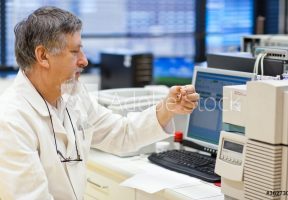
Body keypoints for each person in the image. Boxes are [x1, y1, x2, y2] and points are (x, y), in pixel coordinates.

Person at [0, 6, 199, 200]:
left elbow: (122, 134)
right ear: (43, 56)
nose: (84, 61)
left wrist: (167, 108)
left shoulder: (73, 95)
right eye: (74, 51)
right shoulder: (10, 121)